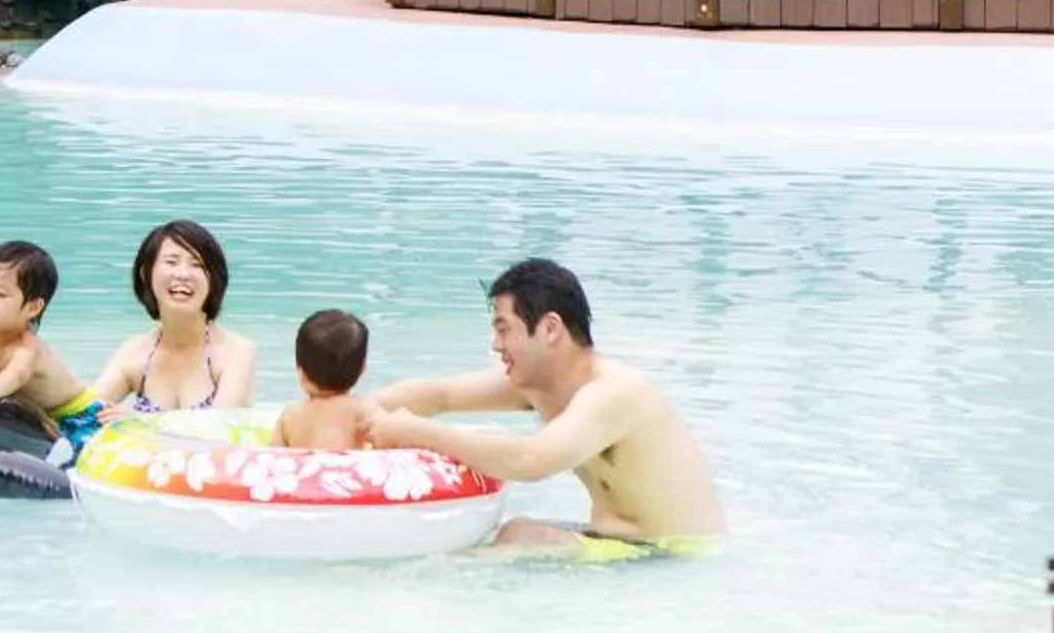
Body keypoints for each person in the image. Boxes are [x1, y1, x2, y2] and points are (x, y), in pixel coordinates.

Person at [360, 258, 725, 557]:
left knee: (514, 537)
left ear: (550, 328)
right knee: (496, 538)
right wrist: (356, 409)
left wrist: (415, 432)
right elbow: (441, 395)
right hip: (626, 547)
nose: (495, 344)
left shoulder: (613, 392)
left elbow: (531, 461)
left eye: (504, 329)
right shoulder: (542, 385)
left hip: (674, 556)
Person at [0, 240, 104, 452]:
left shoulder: (29, 348)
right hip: (40, 416)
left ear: (33, 308)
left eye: (1, 294)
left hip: (80, 415)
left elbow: (17, 374)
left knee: (85, 461)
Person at [89, 220, 258, 413]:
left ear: (213, 279)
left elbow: (219, 427)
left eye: (197, 264)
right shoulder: (134, 353)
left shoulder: (237, 352)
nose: (183, 274)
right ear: (146, 274)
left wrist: (142, 421)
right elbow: (85, 410)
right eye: (171, 262)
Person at [273, 309, 373, 450]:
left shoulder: (290, 415)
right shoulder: (365, 409)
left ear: (302, 373)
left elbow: (273, 458)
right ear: (362, 368)